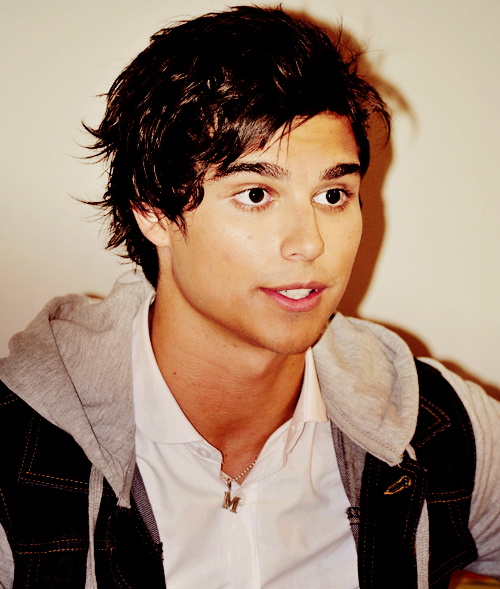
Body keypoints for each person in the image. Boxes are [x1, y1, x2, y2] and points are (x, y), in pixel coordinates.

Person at [0, 5, 499, 588]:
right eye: (256, 194)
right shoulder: (17, 453)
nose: (310, 244)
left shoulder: (437, 428)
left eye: (333, 195)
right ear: (153, 211)